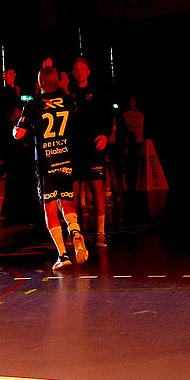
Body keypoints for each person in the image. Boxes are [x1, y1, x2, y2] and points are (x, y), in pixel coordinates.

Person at [14, 65, 88, 270]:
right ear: (57, 81)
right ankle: (75, 231)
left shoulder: (33, 105)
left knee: (49, 209)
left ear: (39, 84)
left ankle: (63, 255)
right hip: (65, 158)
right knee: (67, 202)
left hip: (46, 162)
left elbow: (19, 134)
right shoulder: (68, 100)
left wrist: (15, 128)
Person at [69, 55, 114, 247]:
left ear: (88, 72)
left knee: (97, 188)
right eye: (75, 69)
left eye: (82, 69)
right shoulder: (67, 92)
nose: (78, 72)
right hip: (73, 148)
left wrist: (105, 135)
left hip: (94, 147)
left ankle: (100, 233)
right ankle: (75, 233)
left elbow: (108, 116)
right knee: (73, 191)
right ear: (72, 72)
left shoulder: (98, 92)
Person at [0, 68, 22, 224]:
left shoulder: (18, 119)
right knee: (1, 181)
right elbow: (15, 106)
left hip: (14, 152)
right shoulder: (6, 120)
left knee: (5, 182)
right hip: (7, 152)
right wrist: (11, 86)